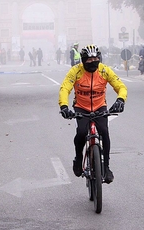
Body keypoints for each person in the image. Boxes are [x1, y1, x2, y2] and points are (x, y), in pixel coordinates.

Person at [58, 44, 128, 184]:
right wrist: (64, 106)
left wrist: (121, 99)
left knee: (104, 132)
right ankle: (78, 159)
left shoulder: (104, 70)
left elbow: (120, 86)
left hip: (100, 106)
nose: (92, 62)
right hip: (81, 107)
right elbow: (65, 88)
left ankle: (106, 167)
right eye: (89, 60)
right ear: (83, 61)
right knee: (81, 132)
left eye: (95, 59)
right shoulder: (76, 71)